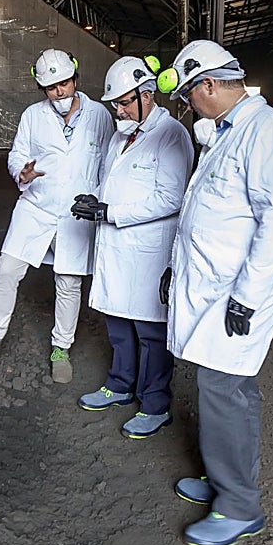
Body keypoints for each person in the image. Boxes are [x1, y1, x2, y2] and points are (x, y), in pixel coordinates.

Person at [155, 39, 273, 545]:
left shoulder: (269, 132)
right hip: (212, 283)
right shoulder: (227, 133)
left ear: (209, 85)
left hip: (240, 290)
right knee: (217, 385)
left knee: (225, 389)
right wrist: (176, 271)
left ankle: (239, 506)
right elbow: (204, 212)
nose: (189, 106)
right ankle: (223, 479)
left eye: (190, 95)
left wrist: (249, 295)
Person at [0, 48, 114, 383]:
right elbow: (18, 154)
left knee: (68, 282)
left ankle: (61, 348)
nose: (59, 91)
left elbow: (108, 162)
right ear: (42, 89)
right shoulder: (32, 116)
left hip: (76, 213)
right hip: (36, 206)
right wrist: (22, 175)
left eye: (64, 83)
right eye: (51, 87)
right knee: (8, 268)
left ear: (75, 78)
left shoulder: (99, 115)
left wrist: (101, 201)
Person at [72, 56, 193, 439]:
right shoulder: (121, 134)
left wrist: (112, 212)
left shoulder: (172, 134)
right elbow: (109, 181)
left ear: (146, 95)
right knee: (118, 323)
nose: (118, 110)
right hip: (116, 245)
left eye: (124, 102)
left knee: (151, 332)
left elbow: (171, 198)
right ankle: (120, 385)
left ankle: (155, 405)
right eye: (114, 104)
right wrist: (93, 201)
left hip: (149, 250)